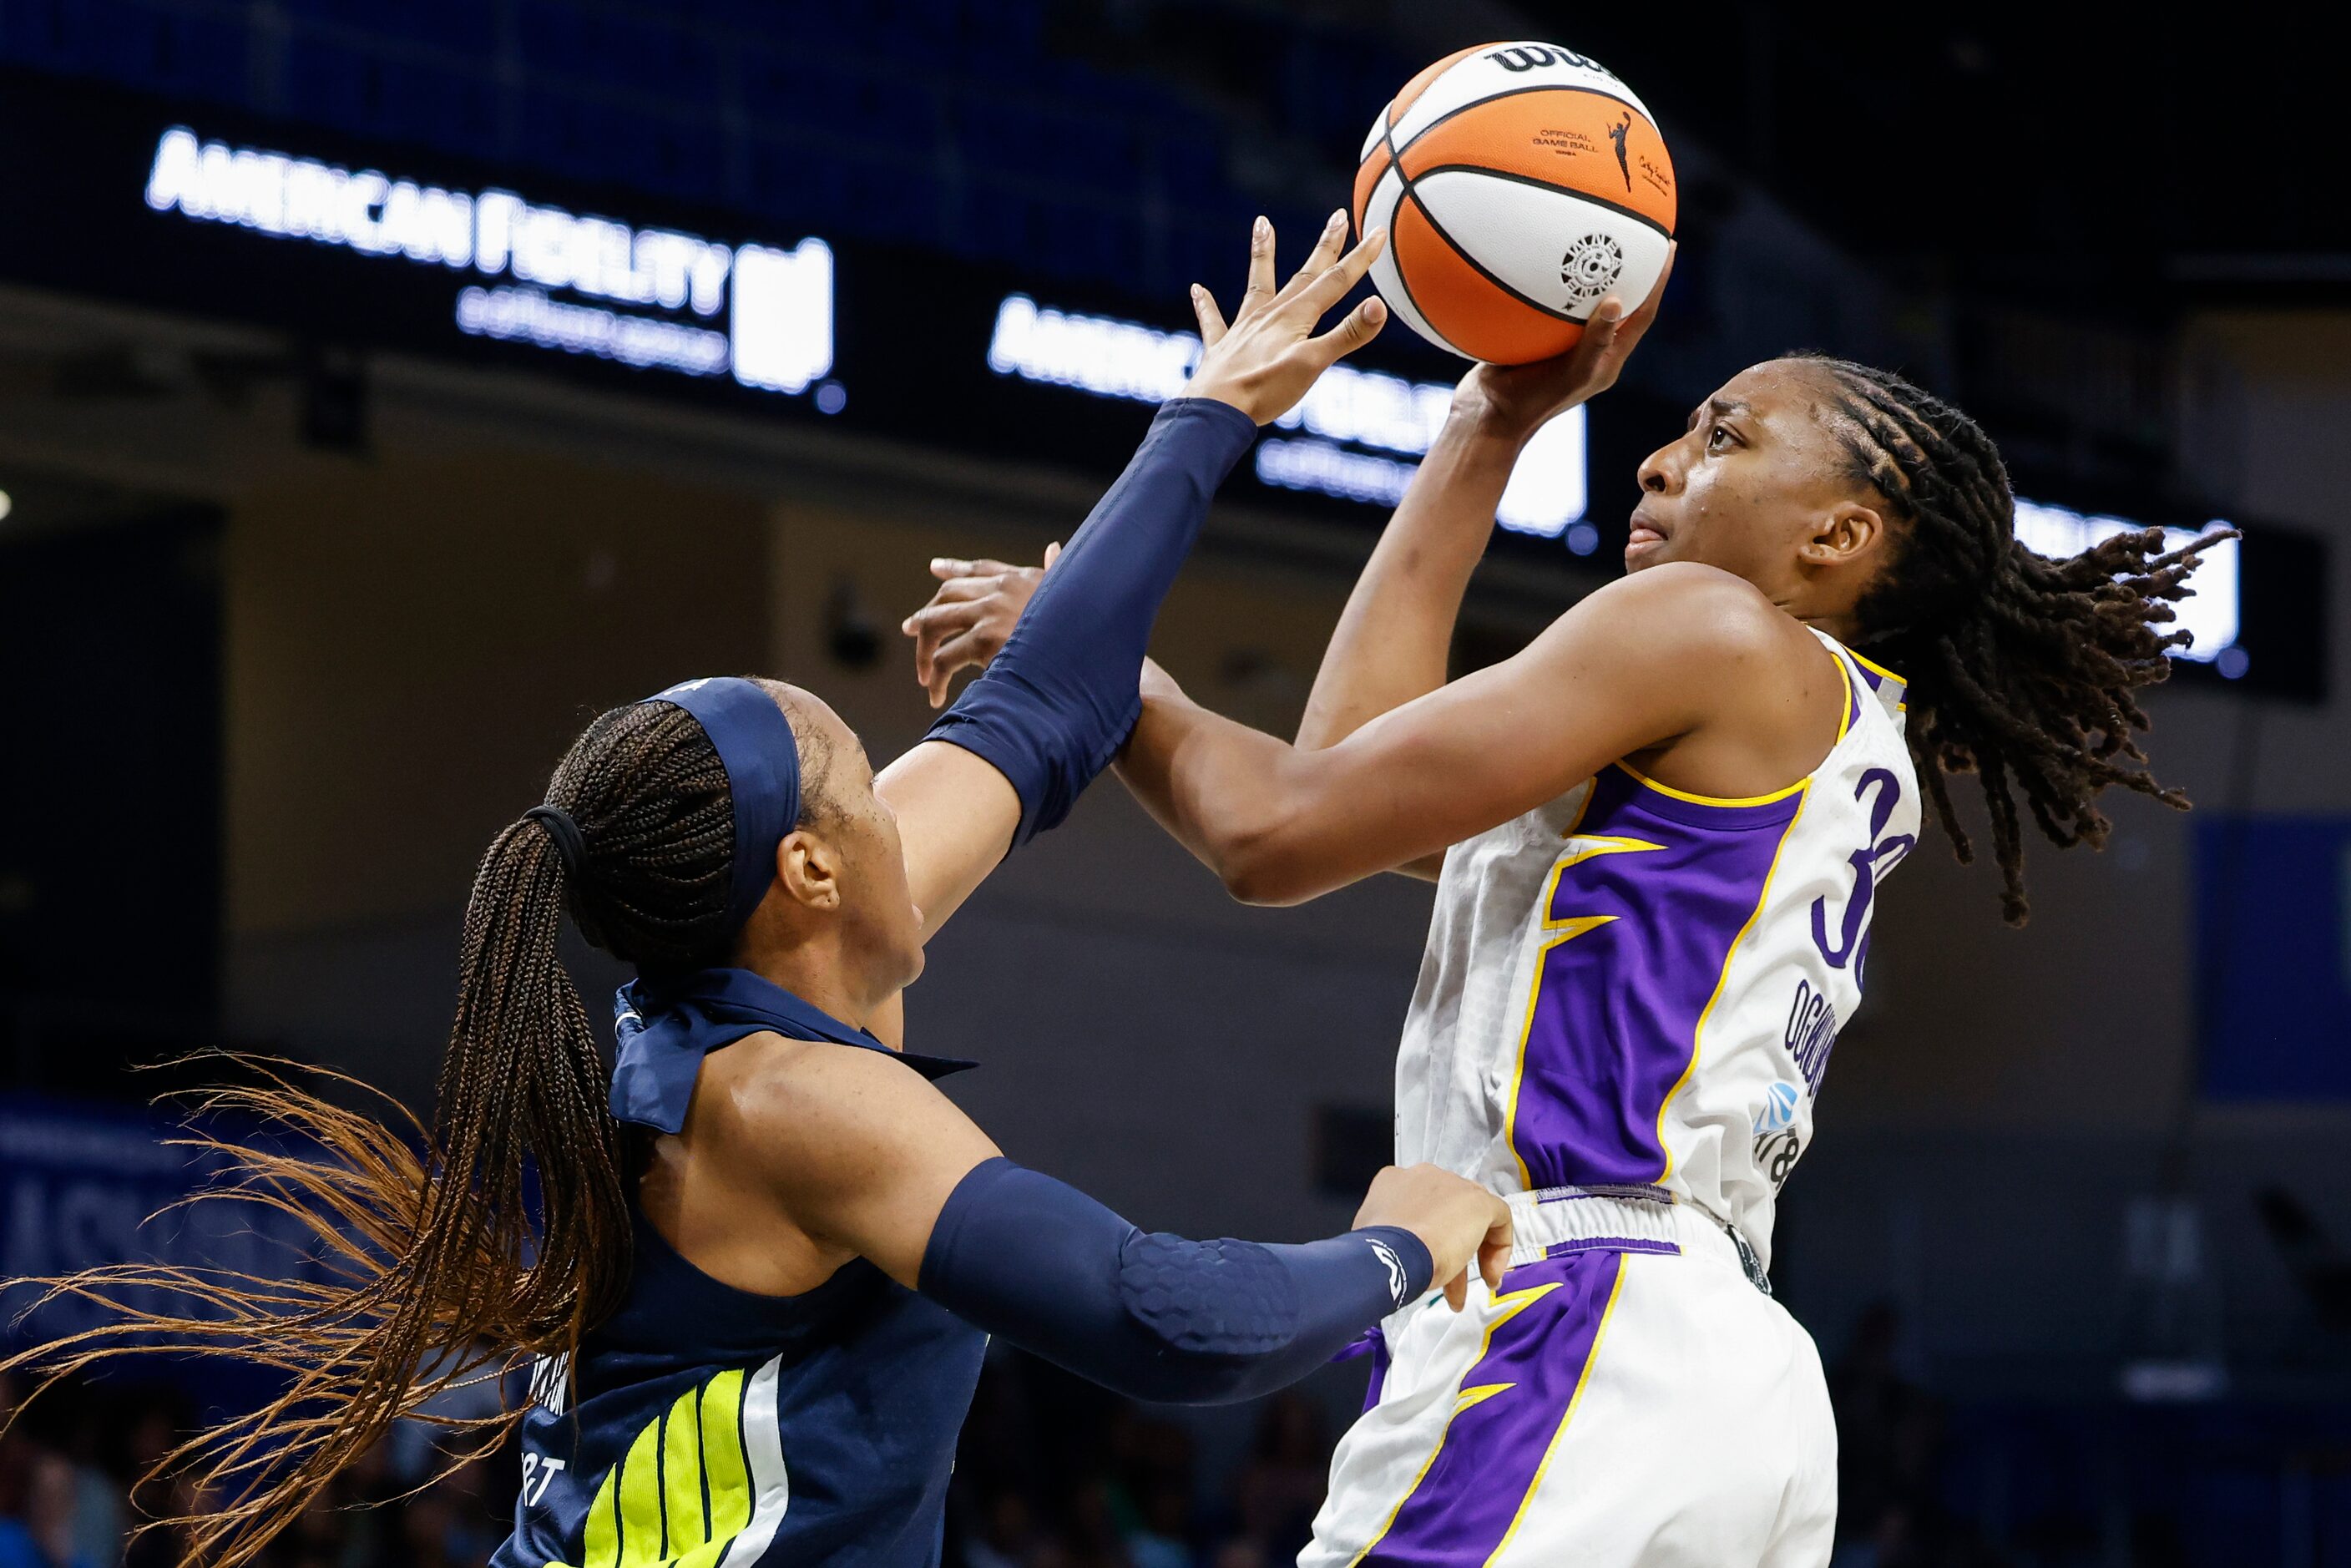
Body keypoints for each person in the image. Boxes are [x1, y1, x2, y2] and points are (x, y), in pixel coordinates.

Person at [1, 215, 1513, 1568]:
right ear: (808, 866)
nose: (908, 774)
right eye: (866, 767)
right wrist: (1400, 1236)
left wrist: (1210, 409)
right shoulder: (791, 1106)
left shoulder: (766, 959)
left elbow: (1040, 709)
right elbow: (1159, 1322)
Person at [906, 265, 2226, 1565]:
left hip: (1573, 1325)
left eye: (1724, 436)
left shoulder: (1707, 627)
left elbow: (1275, 829)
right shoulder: (1821, 741)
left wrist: (1101, 665)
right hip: (1723, 1374)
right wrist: (1489, 421)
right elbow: (1353, 769)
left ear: (1839, 534)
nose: (1657, 461)